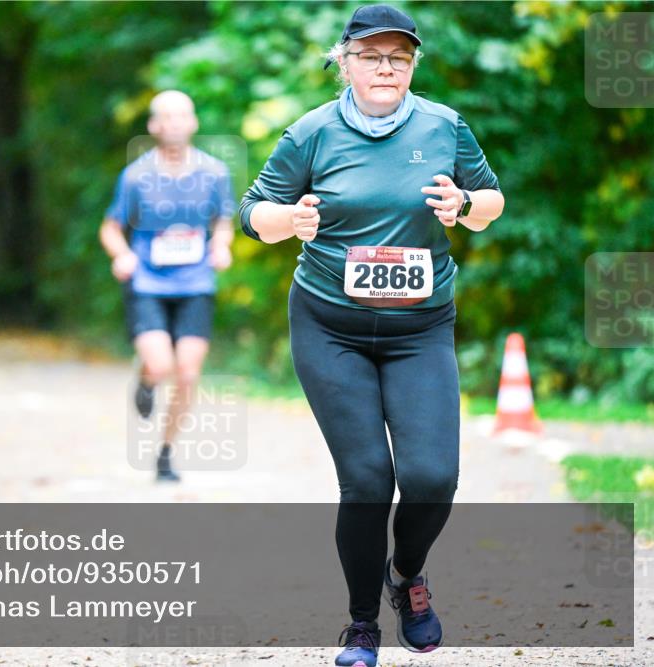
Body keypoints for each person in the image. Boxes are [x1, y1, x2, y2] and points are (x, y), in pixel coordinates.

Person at [239, 6, 504, 667]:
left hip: (420, 328)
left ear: (412, 65)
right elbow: (252, 212)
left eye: (400, 57)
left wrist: (465, 208)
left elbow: (491, 199)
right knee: (365, 478)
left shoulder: (443, 125)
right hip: (331, 325)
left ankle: (407, 575)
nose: (386, 68)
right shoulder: (311, 132)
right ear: (345, 61)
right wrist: (291, 218)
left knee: (432, 476)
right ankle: (361, 624)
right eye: (372, 55)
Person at [99, 90, 235, 483]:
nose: (175, 123)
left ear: (193, 123)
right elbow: (110, 228)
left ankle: (166, 452)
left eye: (182, 116)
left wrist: (222, 245)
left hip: (195, 282)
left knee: (188, 374)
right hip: (149, 283)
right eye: (167, 117)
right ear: (154, 126)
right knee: (161, 365)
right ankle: (146, 380)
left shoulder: (214, 173)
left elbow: (223, 220)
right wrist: (121, 254)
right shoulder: (137, 176)